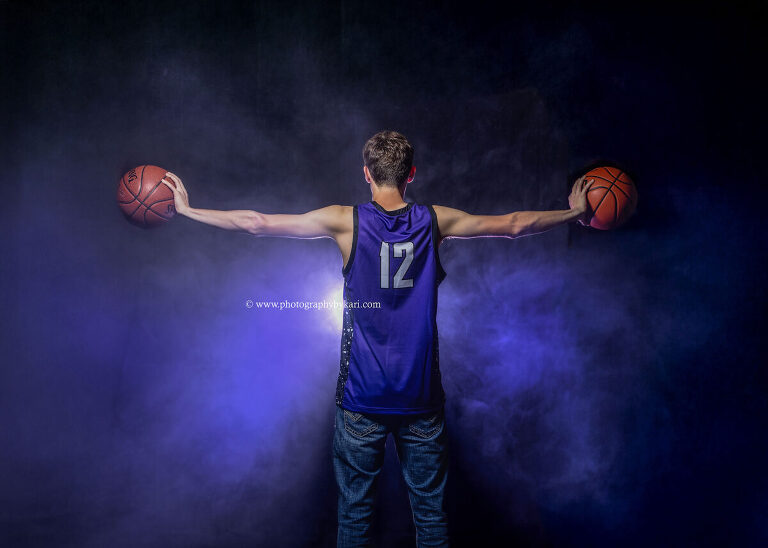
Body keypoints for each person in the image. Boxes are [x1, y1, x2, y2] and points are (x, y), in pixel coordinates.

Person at [161, 130, 594, 547]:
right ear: (412, 174)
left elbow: (256, 223)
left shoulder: (343, 221)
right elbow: (516, 225)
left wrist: (188, 210)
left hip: (361, 399)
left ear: (366, 173)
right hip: (420, 400)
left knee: (354, 516)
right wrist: (574, 213)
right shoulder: (436, 220)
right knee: (431, 517)